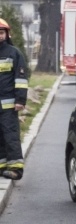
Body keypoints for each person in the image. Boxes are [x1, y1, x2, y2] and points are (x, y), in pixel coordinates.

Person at [0, 18, 28, 181]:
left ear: (7, 34)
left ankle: (16, 169)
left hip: (9, 105)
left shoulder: (14, 53)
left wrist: (20, 101)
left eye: (1, 33)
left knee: (10, 136)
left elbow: (21, 79)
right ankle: (2, 167)